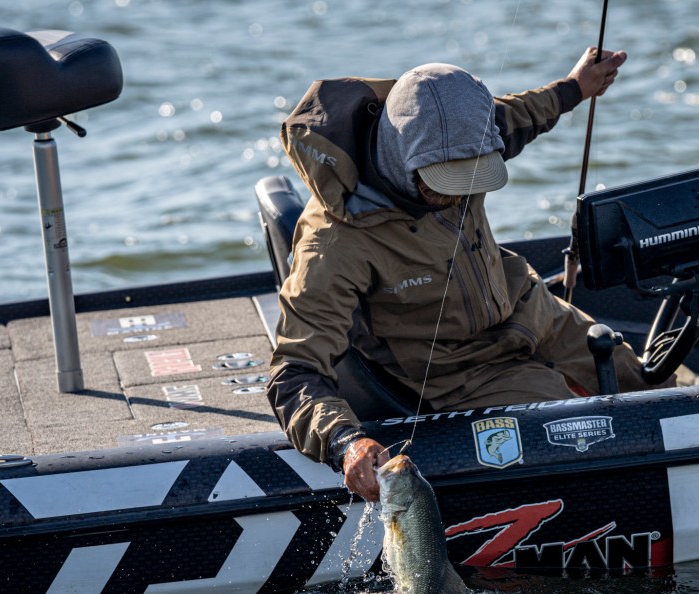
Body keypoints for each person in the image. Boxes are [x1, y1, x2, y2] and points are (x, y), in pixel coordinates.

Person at [268, 46, 661, 502]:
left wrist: (574, 87)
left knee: (648, 388)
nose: (459, 194)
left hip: (530, 309)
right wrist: (345, 443)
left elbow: (516, 118)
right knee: (580, 430)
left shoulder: (472, 132)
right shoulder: (333, 243)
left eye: (473, 177)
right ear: (402, 157)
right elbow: (294, 372)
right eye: (446, 181)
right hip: (464, 371)